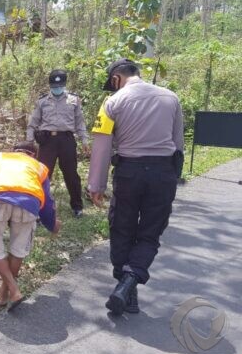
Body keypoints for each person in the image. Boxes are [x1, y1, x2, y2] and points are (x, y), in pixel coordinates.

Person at [88, 58, 184, 316]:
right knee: (150, 234)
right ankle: (129, 287)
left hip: (129, 173)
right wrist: (172, 177)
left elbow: (102, 146)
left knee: (122, 227)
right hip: (163, 174)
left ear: (116, 79)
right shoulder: (171, 98)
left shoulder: (112, 102)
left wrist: (96, 185)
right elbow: (177, 144)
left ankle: (125, 283)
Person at [0, 141, 61, 312]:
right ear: (33, 155)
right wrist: (52, 225)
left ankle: (11, 290)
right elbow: (47, 201)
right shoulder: (40, 167)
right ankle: (4, 294)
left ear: (13, 151)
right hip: (28, 203)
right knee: (18, 248)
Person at [27, 69, 90, 218]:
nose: (57, 89)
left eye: (59, 86)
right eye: (54, 87)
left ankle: (77, 207)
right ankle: (39, 209)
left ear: (64, 84)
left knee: (71, 174)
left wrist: (84, 140)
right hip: (47, 141)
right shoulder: (42, 101)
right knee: (42, 175)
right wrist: (29, 141)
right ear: (49, 86)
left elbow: (79, 122)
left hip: (67, 140)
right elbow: (33, 122)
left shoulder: (73, 100)